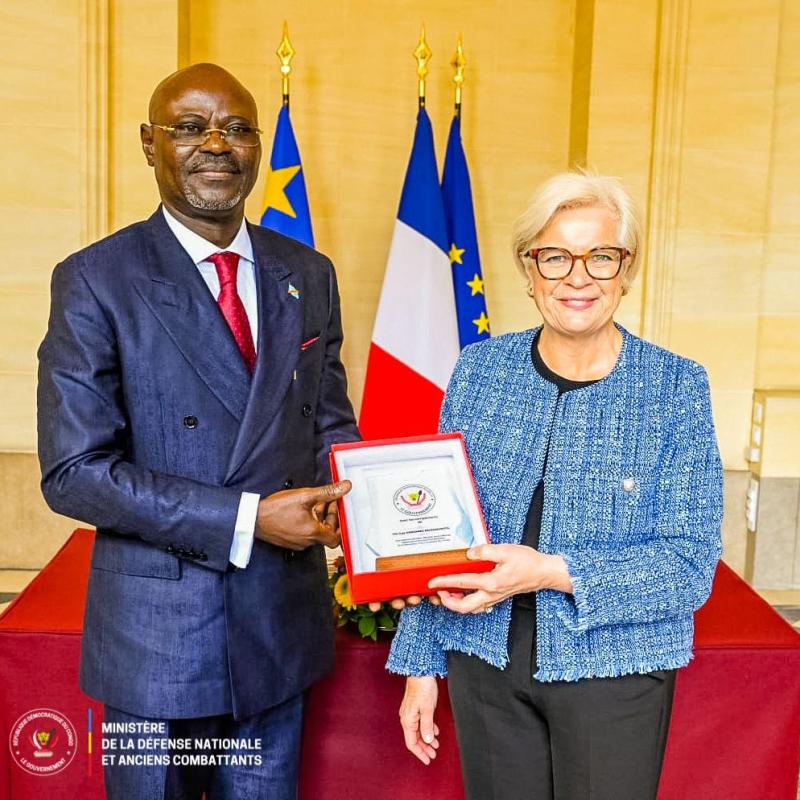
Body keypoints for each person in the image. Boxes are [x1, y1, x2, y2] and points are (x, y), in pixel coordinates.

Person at [37, 63, 358, 800]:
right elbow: (74, 471)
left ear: (258, 147)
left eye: (238, 128)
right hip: (157, 642)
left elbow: (329, 423)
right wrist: (249, 518)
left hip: (280, 628)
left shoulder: (308, 272)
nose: (217, 144)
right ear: (150, 144)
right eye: (190, 127)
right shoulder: (95, 279)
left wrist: (376, 515)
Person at [387, 171, 723, 800]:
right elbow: (441, 531)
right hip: (483, 663)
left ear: (626, 271)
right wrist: (419, 666)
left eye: (600, 256)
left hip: (615, 673)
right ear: (528, 269)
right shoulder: (480, 370)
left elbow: (688, 566)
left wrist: (548, 572)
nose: (577, 276)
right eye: (555, 256)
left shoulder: (676, 388)